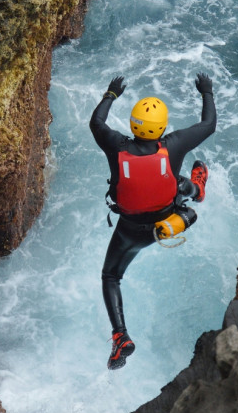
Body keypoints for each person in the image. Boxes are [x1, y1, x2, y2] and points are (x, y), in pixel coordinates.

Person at [89, 73, 217, 369]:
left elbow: (97, 123)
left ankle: (121, 336)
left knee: (111, 277)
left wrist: (111, 93)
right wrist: (206, 91)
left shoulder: (116, 145)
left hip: (130, 232)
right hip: (166, 220)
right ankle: (197, 191)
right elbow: (209, 124)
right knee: (178, 182)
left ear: (134, 123)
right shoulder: (174, 145)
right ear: (162, 127)